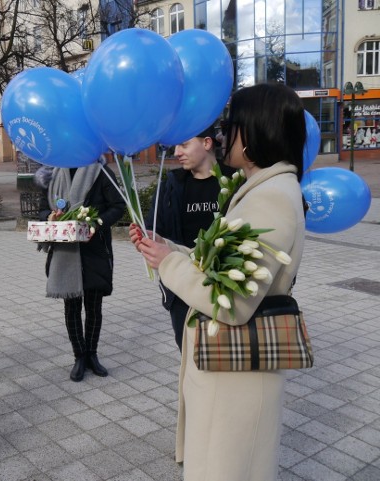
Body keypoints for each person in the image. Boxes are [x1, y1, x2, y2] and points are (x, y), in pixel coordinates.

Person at [132, 83, 306, 480]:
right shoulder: (263, 187)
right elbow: (220, 265)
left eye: (235, 123)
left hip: (237, 377)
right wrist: (169, 249)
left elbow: (233, 301)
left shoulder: (271, 197)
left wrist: (168, 266)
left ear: (258, 130)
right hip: (231, 373)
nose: (227, 133)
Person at [137, 125, 234, 352]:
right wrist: (148, 238)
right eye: (175, 146)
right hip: (181, 288)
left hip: (226, 287)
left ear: (207, 143)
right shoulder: (172, 185)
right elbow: (155, 229)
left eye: (184, 144)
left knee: (227, 356)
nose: (177, 152)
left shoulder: (234, 181)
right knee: (189, 354)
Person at [36, 160, 125, 382]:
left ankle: (92, 355)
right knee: (72, 306)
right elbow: (42, 209)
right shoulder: (53, 173)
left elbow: (118, 206)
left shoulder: (100, 171)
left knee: (94, 307)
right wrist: (50, 216)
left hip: (94, 250)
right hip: (65, 253)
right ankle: (79, 356)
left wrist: (96, 223)